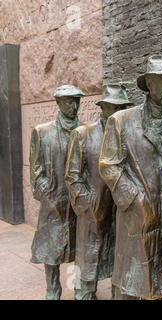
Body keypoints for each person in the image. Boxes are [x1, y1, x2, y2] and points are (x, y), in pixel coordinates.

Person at [99, 56, 162, 300]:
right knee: (132, 283)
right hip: (136, 218)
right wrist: (137, 200)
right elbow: (108, 166)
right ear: (149, 83)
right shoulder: (121, 121)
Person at [65, 84, 132, 300]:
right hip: (92, 209)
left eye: (122, 107)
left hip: (120, 210)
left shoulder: (127, 135)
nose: (118, 111)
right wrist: (87, 203)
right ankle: (83, 293)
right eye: (113, 107)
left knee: (117, 259)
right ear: (103, 107)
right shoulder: (82, 134)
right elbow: (72, 176)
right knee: (87, 257)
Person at [29, 85, 85, 300]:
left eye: (77, 100)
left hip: (79, 203)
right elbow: (36, 169)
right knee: (50, 249)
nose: (74, 105)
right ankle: (53, 289)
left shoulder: (84, 131)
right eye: (69, 101)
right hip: (54, 201)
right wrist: (46, 194)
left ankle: (80, 289)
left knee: (80, 248)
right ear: (59, 103)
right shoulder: (42, 132)